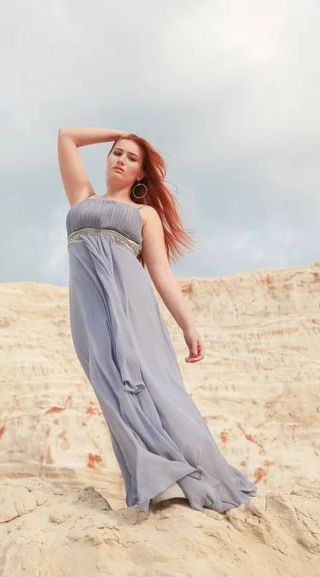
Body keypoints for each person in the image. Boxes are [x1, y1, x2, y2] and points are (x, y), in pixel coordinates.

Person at [58, 126, 257, 514]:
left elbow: (161, 273)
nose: (121, 159)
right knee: (111, 390)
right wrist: (120, 131)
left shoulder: (144, 214)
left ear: (140, 176)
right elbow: (66, 136)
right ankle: (154, 475)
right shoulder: (81, 197)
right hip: (88, 312)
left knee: (150, 387)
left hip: (132, 309)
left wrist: (188, 325)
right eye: (117, 152)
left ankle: (173, 480)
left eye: (132, 158)